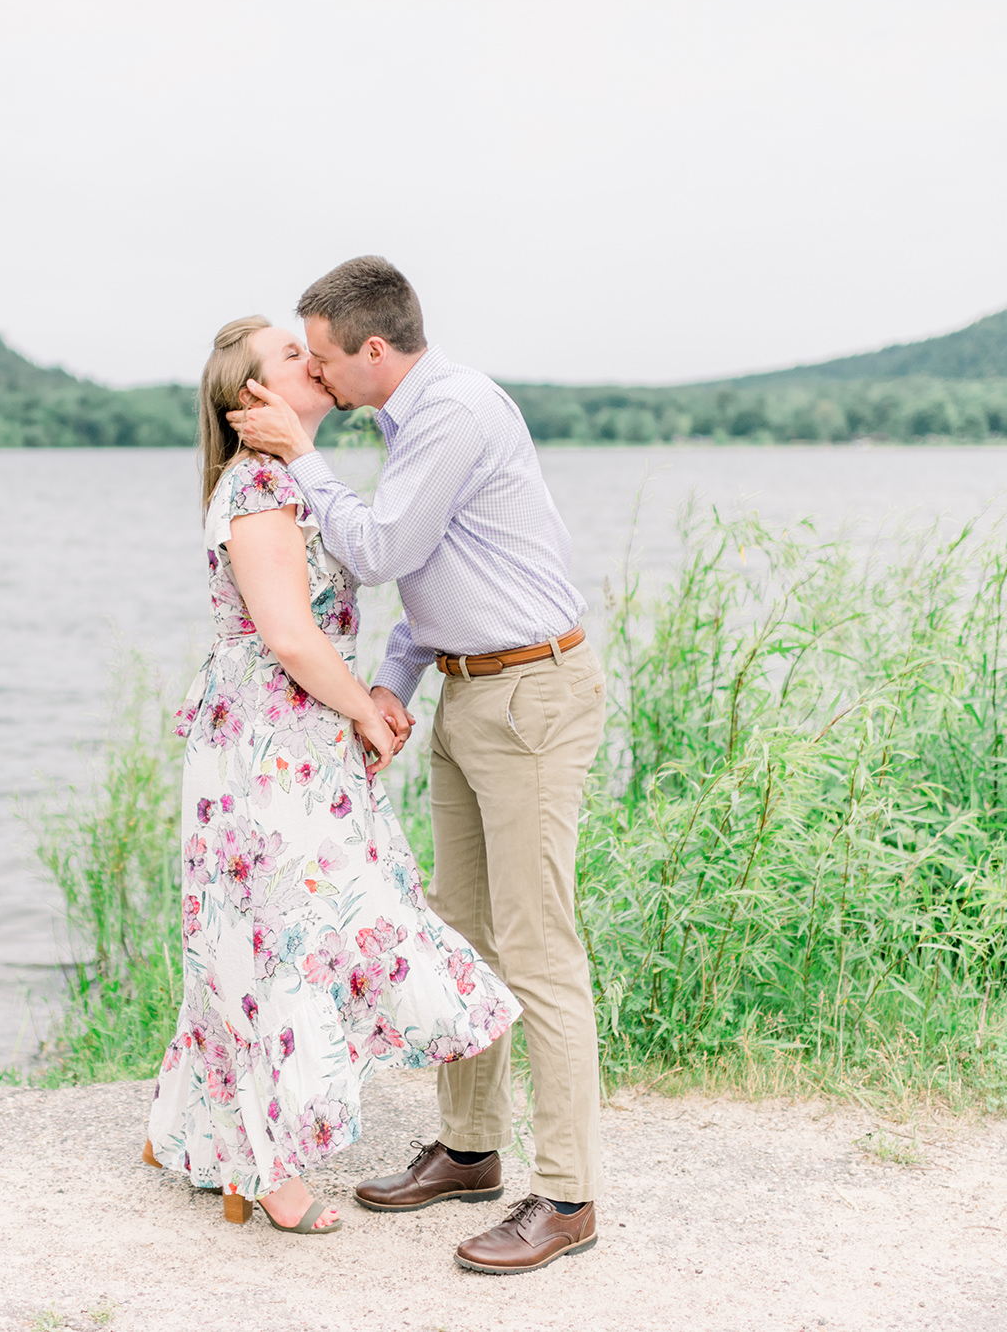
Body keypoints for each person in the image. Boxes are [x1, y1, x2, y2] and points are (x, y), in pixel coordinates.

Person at [227, 257, 607, 1275]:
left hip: (529, 694)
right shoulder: (409, 421)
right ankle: (472, 1149)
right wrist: (392, 682)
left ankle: (568, 1195)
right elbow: (438, 577)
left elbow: (387, 545)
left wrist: (304, 456)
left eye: (322, 356)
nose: (315, 372)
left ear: (375, 351)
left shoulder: (453, 413)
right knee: (463, 929)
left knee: (538, 945)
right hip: (469, 688)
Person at [143, 316, 521, 1236]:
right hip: (271, 744)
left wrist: (364, 698)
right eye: (288, 356)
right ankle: (267, 1170)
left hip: (289, 739)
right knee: (283, 932)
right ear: (251, 401)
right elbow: (287, 634)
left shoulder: (290, 478)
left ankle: (192, 1126)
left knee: (273, 925)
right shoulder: (259, 487)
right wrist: (363, 704)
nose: (311, 361)